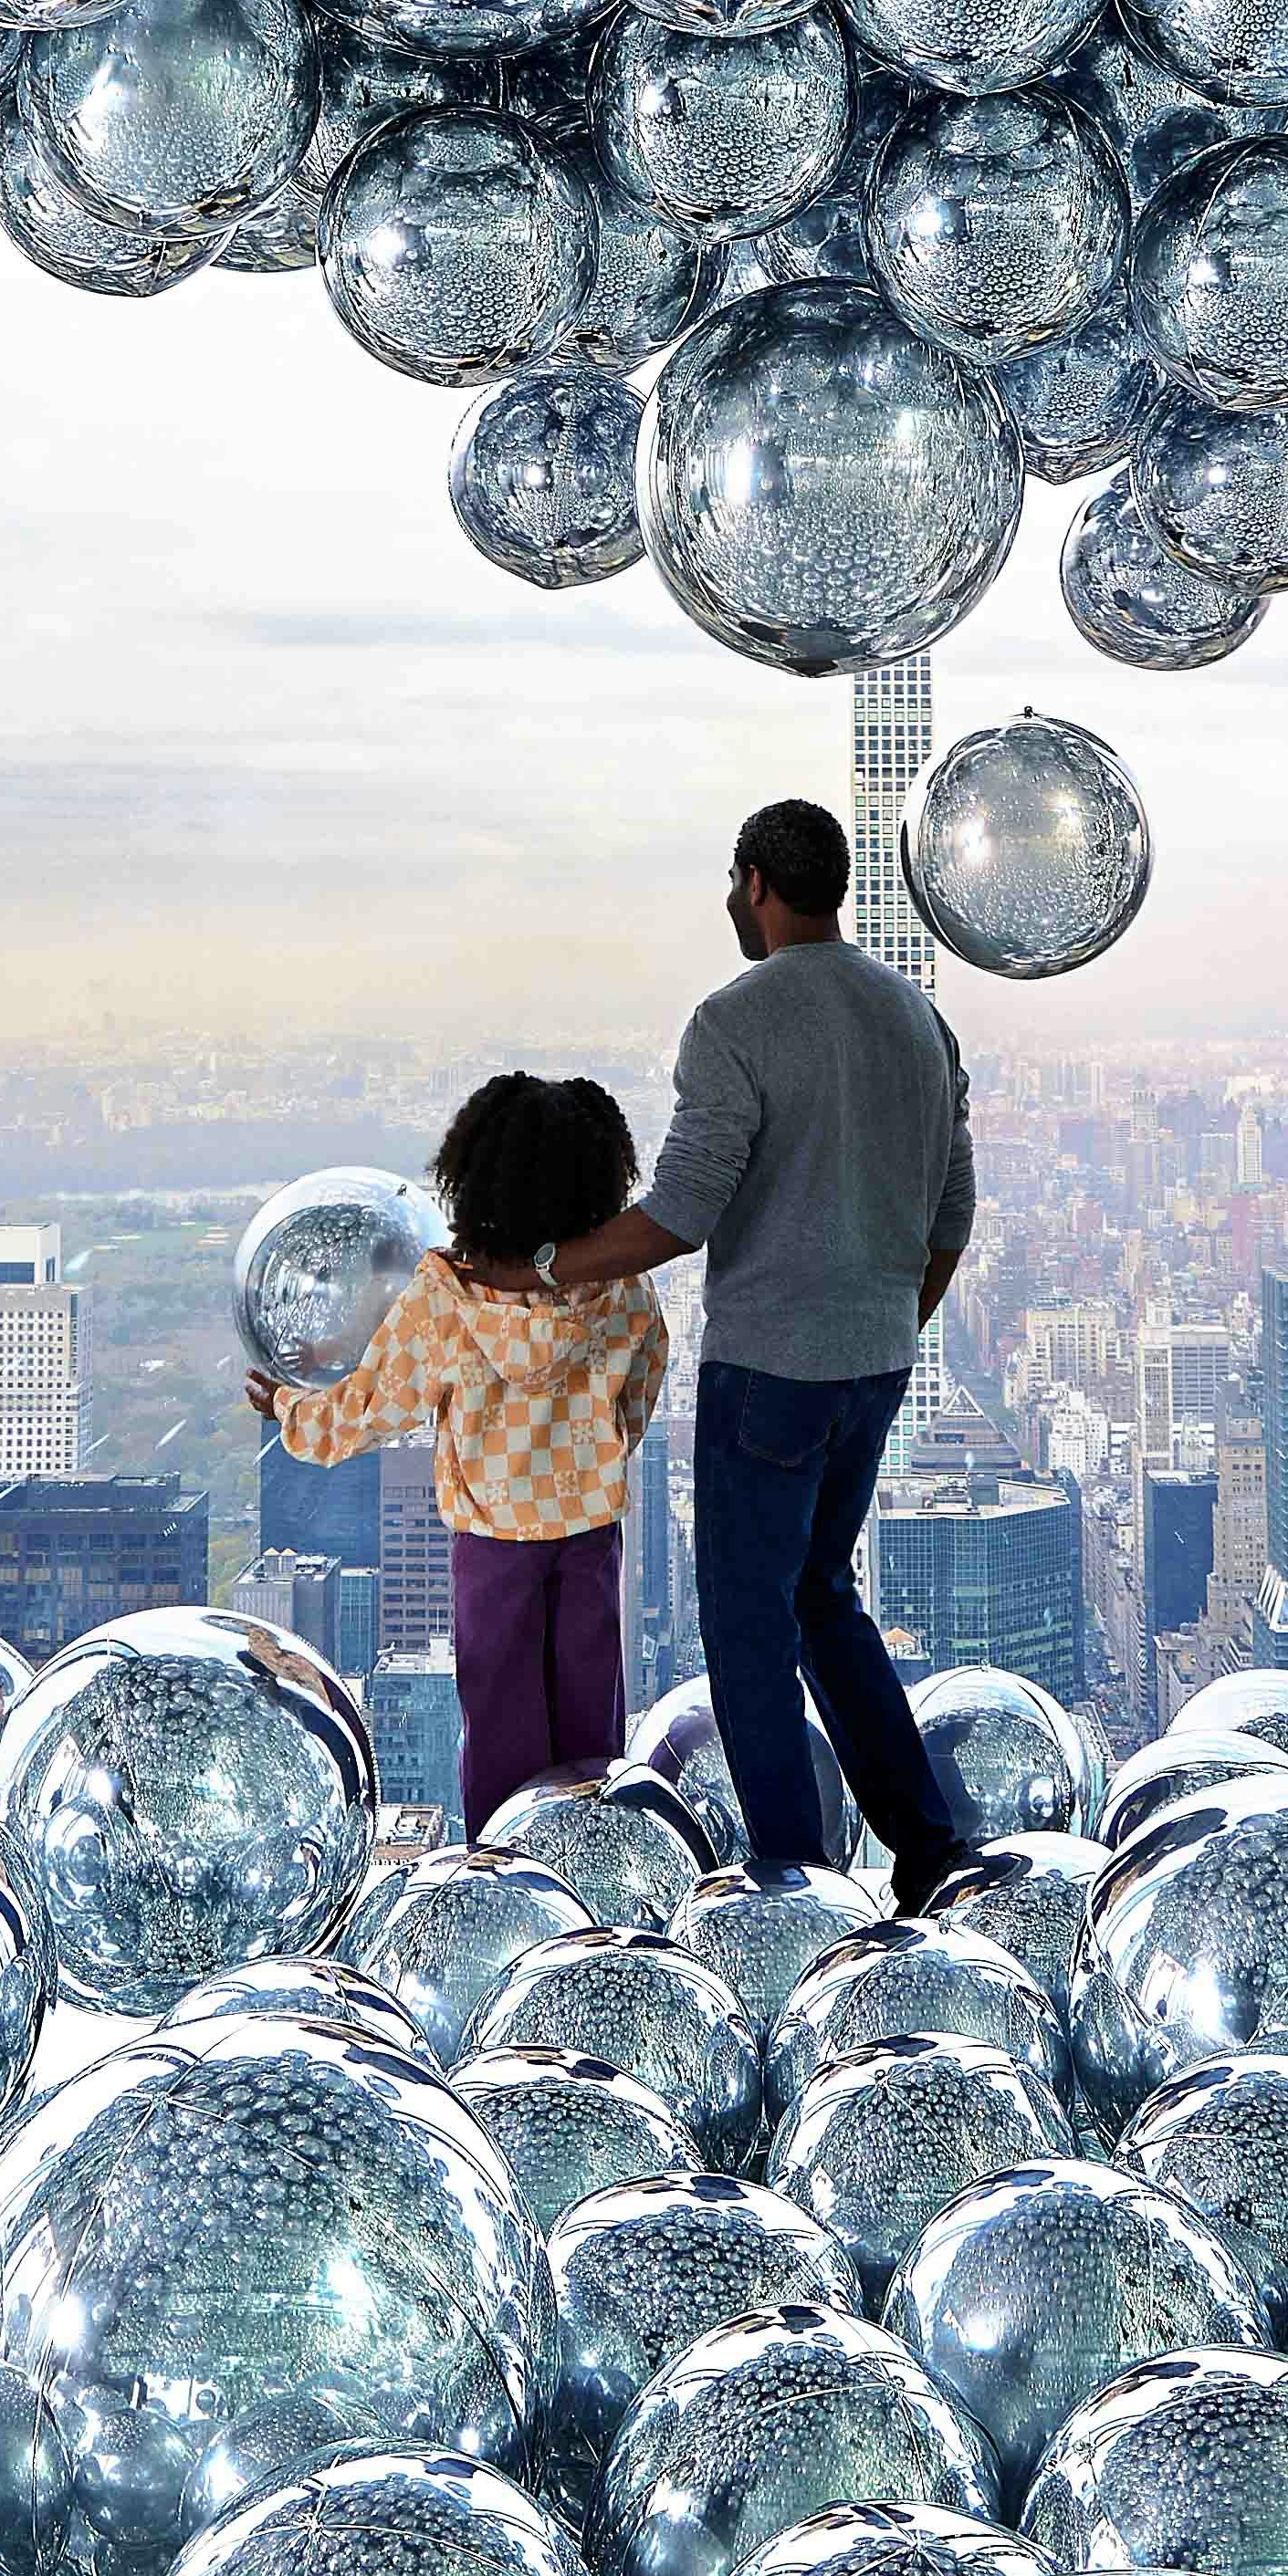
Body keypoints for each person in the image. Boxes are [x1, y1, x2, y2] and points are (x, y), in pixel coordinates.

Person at [468, 798, 981, 1914]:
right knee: (819, 1596)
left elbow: (682, 1213)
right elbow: (951, 1212)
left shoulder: (733, 1020)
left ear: (752, 883)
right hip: (873, 1360)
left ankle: (797, 1880)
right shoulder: (917, 1020)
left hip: (772, 1372)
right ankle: (924, 1843)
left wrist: (539, 1267)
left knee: (748, 1618)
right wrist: (889, 1321)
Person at [252, 1071, 665, 1838]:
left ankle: (509, 1886)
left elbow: (366, 1410)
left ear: (475, 1181)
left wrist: (286, 1406)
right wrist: (594, 1455)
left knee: (502, 1732)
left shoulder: (445, 1297)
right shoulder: (620, 1286)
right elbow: (641, 1389)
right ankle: (594, 1876)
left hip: (494, 1543)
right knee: (589, 1732)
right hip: (588, 1532)